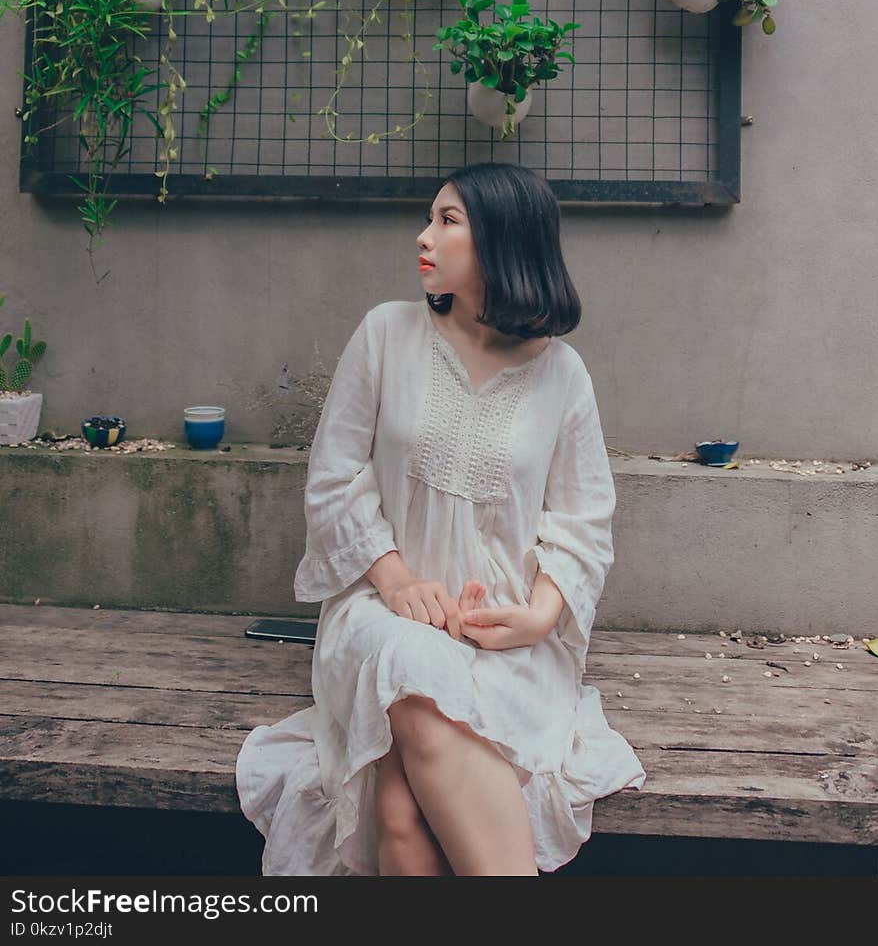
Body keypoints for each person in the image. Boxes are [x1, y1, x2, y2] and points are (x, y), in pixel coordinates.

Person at [235, 161, 646, 876]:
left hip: (503, 641)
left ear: (503, 239)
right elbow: (333, 480)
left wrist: (541, 618)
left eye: (448, 220)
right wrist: (395, 583)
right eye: (430, 217)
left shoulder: (562, 375)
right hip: (379, 616)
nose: (423, 237)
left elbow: (583, 522)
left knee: (396, 812)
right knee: (412, 662)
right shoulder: (385, 335)